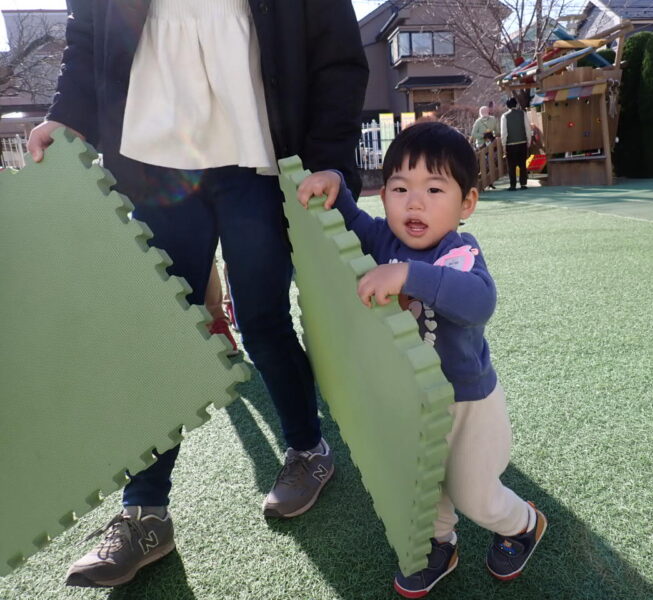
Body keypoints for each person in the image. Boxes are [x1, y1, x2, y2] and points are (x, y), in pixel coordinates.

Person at [26, 0, 368, 588]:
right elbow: (88, 30)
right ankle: (145, 513)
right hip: (152, 158)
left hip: (255, 157)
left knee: (262, 320)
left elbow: (336, 52)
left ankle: (308, 449)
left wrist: (331, 160)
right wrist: (69, 113)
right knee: (159, 330)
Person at [296, 121, 547, 598]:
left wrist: (409, 275)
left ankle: (522, 523)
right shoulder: (383, 240)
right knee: (422, 483)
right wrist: (335, 185)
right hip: (414, 401)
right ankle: (439, 544)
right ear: (384, 194)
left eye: (434, 189)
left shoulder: (459, 251)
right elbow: (351, 223)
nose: (414, 203)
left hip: (468, 404)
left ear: (466, 204)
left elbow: (478, 301)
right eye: (400, 189)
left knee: (474, 494)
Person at [500, 97, 533, 191]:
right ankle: (523, 184)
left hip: (510, 144)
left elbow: (504, 133)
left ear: (507, 106)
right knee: (522, 164)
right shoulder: (522, 113)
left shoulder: (505, 116)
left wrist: (503, 145)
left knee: (511, 165)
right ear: (516, 104)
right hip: (522, 142)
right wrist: (529, 140)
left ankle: (513, 185)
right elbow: (527, 128)